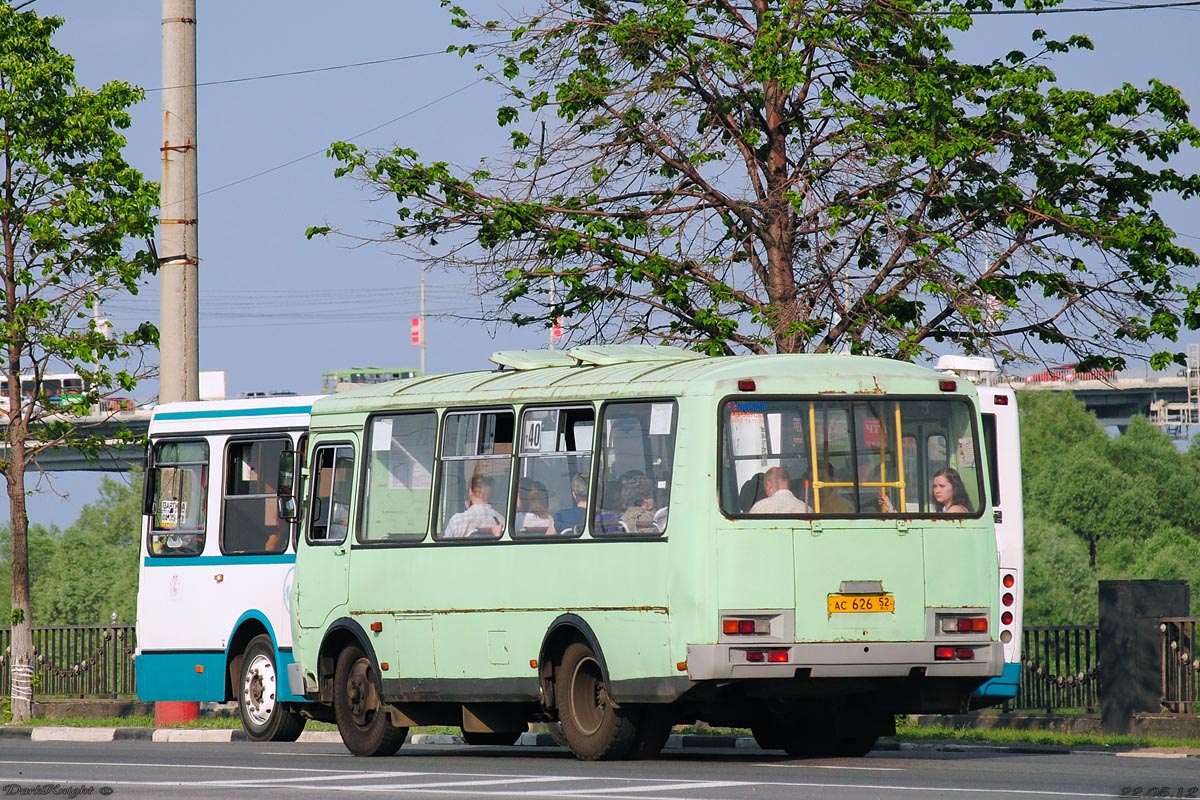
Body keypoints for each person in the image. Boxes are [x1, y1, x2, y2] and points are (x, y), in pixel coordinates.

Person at [443, 474, 505, 538]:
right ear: (491, 494)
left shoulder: (457, 520)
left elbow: (444, 546)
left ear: (470, 492)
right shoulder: (500, 521)